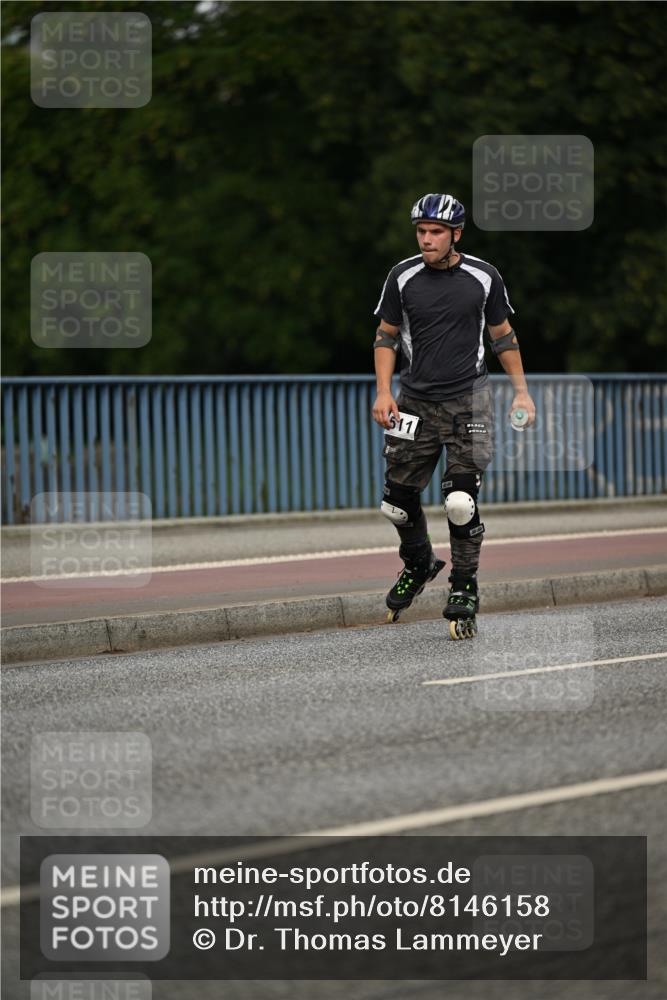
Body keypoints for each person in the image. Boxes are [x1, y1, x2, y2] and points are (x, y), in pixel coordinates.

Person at [371, 192, 535, 637]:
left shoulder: (484, 277)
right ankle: (420, 562)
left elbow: (503, 337)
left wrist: (521, 394)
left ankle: (464, 585)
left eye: (436, 232)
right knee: (395, 504)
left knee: (460, 502)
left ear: (455, 234)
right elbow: (385, 336)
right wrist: (384, 392)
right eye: (421, 232)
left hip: (469, 401)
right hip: (414, 404)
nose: (426, 239)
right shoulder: (402, 277)